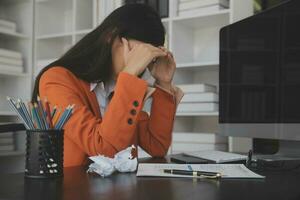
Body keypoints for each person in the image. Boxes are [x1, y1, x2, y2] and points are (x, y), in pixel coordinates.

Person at [32, 3, 183, 167]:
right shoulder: (56, 80)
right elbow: (103, 148)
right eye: (138, 53)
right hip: (73, 189)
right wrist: (130, 74)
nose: (142, 63)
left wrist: (163, 83)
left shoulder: (125, 85)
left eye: (148, 57)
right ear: (111, 36)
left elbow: (157, 146)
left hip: (120, 188)